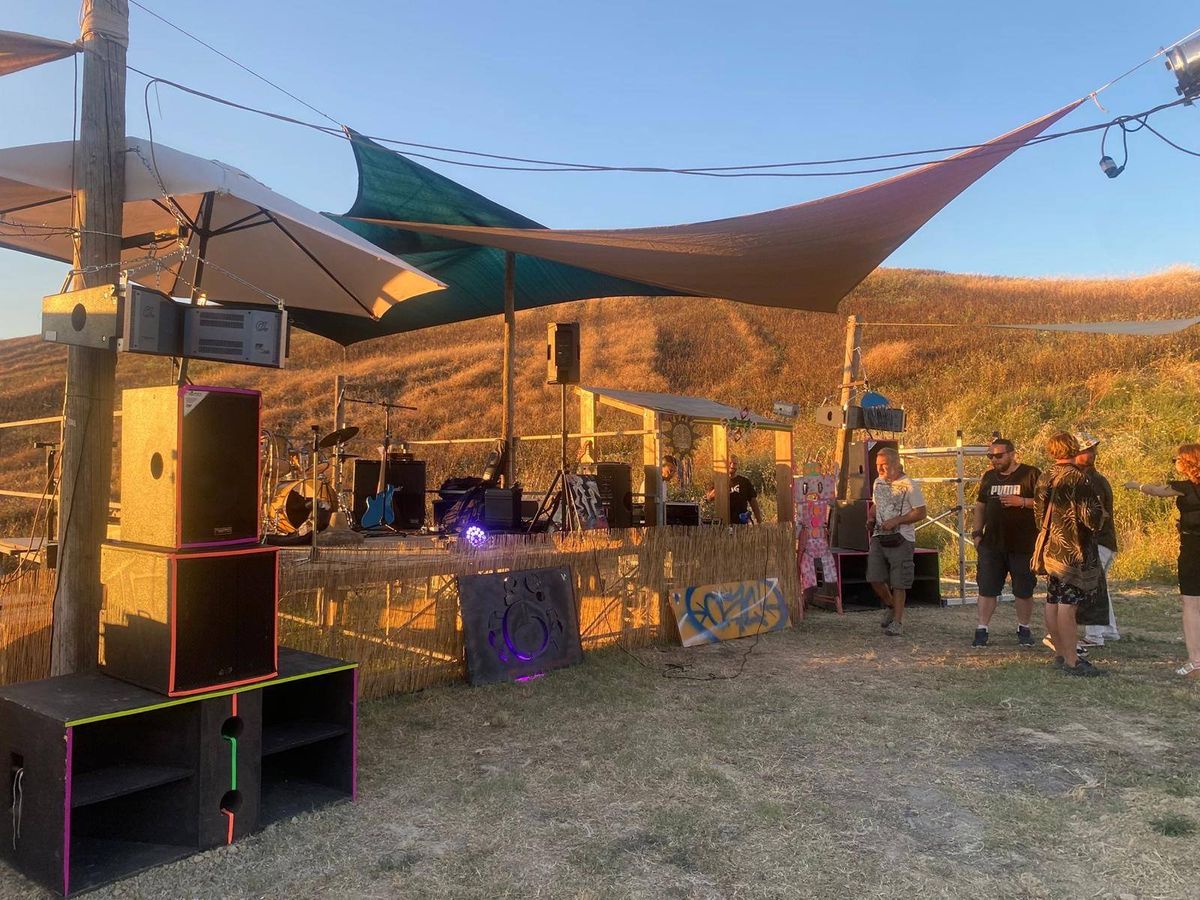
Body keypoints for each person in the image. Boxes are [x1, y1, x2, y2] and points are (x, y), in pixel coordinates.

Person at [1033, 432, 1108, 677]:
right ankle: (1072, 659)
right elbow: (1092, 517)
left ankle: (1060, 653)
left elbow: (1037, 513)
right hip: (1073, 549)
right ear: (1073, 448)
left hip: (1051, 547)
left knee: (1053, 599)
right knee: (1068, 603)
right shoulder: (1078, 478)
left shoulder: (1046, 476)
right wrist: (1101, 517)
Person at [1123, 443, 1200, 677]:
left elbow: (1156, 491)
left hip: (1193, 548)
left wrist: (1136, 485)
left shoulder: (1184, 487)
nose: (1174, 462)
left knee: (1191, 603)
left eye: (1176, 459)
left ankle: (1196, 661)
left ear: (1186, 462)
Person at [970, 438, 1040, 648]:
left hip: (1023, 543)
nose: (994, 460)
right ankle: (982, 629)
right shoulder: (989, 477)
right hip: (992, 543)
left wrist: (1024, 502)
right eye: (990, 456)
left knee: (1023, 588)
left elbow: (1048, 504)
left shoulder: (1030, 474)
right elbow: (980, 506)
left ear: (1012, 454)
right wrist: (976, 533)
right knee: (987, 587)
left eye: (999, 455)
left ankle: (1024, 628)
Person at [867, 447, 927, 636]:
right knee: (874, 577)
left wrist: (897, 520)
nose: (880, 470)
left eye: (883, 465)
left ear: (895, 464)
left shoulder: (909, 485)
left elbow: (921, 512)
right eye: (877, 465)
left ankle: (898, 623)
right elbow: (876, 504)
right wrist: (870, 518)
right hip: (879, 536)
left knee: (899, 582)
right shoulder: (878, 482)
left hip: (902, 538)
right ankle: (891, 605)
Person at [1077, 435, 1120, 648]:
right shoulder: (1091, 477)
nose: (1091, 453)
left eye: (1092, 449)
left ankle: (1094, 635)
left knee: (1090, 585)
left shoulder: (1091, 480)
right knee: (1098, 586)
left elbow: (1097, 515)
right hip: (1103, 540)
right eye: (1087, 449)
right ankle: (1108, 630)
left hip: (1097, 540)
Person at [705, 455, 763, 524]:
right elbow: (709, 498)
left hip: (741, 523)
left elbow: (753, 502)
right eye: (729, 463)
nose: (732, 466)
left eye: (735, 464)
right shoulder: (717, 481)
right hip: (722, 523)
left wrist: (759, 521)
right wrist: (720, 484)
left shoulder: (744, 482)